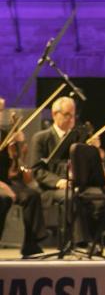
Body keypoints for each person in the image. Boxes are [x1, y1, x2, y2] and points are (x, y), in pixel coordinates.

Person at [28, 96, 105, 247]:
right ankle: (81, 243)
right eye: (67, 115)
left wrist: (94, 149)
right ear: (54, 114)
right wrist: (58, 181)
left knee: (99, 198)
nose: (71, 119)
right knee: (70, 197)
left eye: (73, 115)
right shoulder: (41, 138)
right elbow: (36, 170)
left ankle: (94, 242)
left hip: (77, 184)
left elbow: (87, 167)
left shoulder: (79, 138)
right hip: (51, 189)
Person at [0, 104, 45, 257]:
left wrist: (18, 145)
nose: (1, 114)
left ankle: (31, 245)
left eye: (1, 110)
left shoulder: (4, 135)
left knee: (32, 195)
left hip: (6, 181)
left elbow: (14, 167)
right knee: (3, 199)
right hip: (1, 185)